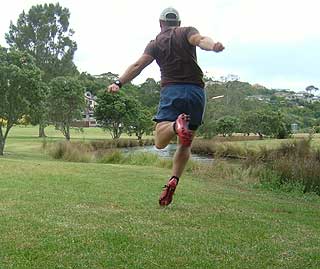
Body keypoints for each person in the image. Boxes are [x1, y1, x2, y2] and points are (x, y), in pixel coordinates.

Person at [108, 7, 224, 206]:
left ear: (160, 23)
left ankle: (175, 126)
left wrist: (118, 83)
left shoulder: (155, 43)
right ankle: (174, 180)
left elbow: (138, 66)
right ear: (178, 23)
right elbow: (200, 39)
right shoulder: (187, 31)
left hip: (172, 91)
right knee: (185, 144)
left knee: (160, 141)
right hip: (196, 93)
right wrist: (213, 46)